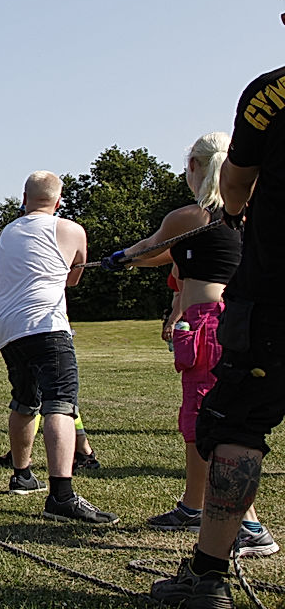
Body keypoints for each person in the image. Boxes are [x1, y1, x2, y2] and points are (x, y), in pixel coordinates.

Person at [151, 0, 285, 607]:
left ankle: (207, 575)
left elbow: (234, 193)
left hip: (273, 301)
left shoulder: (269, 94)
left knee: (235, 425)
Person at [106, 131, 275, 556]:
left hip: (209, 327)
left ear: (196, 167)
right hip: (233, 323)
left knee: (211, 421)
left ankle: (249, 525)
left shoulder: (192, 216)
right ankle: (194, 505)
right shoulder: (238, 216)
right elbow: (167, 254)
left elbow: (149, 249)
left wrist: (120, 257)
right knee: (204, 420)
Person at [0, 170, 116, 524]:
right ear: (59, 200)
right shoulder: (70, 229)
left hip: (8, 330)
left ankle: (22, 475)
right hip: (47, 326)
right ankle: (62, 496)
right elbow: (73, 277)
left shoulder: (7, 232)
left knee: (25, 400)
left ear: (24, 198)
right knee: (60, 404)